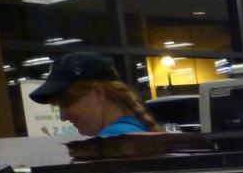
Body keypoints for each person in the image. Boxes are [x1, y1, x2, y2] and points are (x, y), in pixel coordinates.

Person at [29, 52, 160, 137]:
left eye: (66, 103)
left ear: (99, 93)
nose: (63, 117)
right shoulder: (136, 128)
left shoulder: (112, 140)